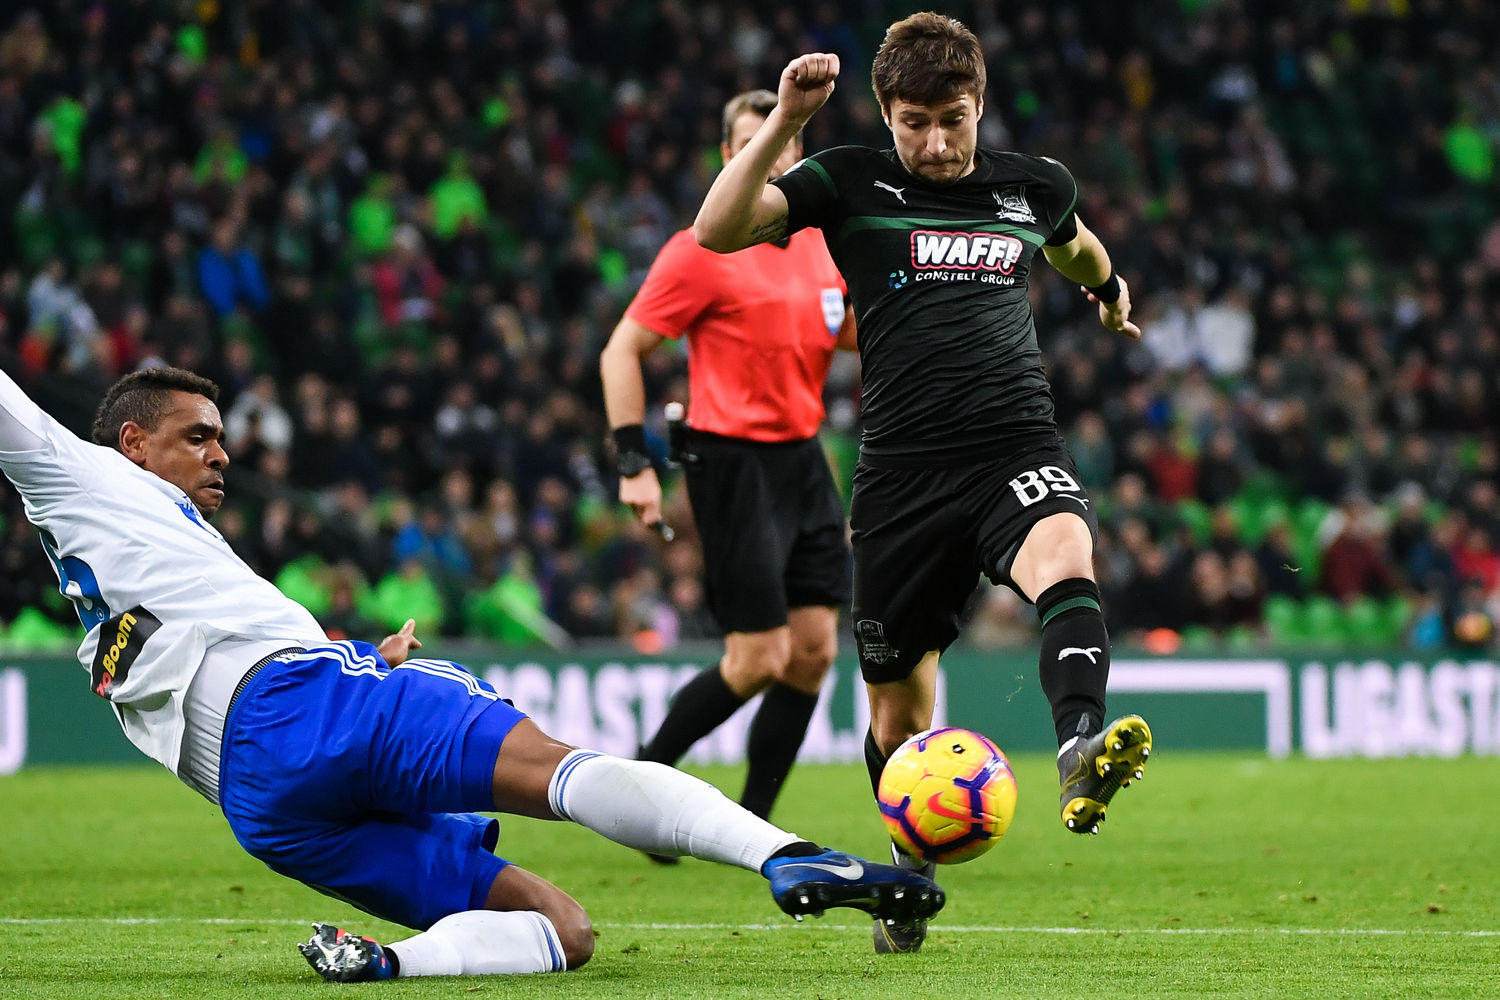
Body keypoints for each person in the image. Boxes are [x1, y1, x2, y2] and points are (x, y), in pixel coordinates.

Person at [0, 364, 942, 981]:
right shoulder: (82, 475)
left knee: (564, 930)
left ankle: (388, 966)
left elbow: (195, 657)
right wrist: (333, 676)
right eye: (198, 436)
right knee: (560, 771)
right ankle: (781, 853)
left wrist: (359, 658)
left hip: (263, 804)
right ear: (133, 445)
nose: (223, 451)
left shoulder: (129, 558)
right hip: (304, 707)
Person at [693, 13, 1153, 953]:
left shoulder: (1032, 187)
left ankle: (1078, 745)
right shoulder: (848, 180)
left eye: (953, 120)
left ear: (980, 104)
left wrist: (1109, 295)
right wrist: (786, 121)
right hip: (902, 480)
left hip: (1012, 446)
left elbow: (1077, 248)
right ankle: (911, 878)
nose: (936, 144)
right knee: (899, 716)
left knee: (1066, 550)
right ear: (885, 114)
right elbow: (718, 229)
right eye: (914, 123)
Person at [600, 89, 855, 833]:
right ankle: (638, 785)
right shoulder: (699, 250)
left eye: (786, 141)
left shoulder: (821, 244)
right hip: (731, 462)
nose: (773, 156)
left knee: (812, 653)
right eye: (755, 143)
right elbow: (622, 350)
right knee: (759, 658)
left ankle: (756, 825)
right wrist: (633, 463)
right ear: (727, 157)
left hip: (803, 458)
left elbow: (847, 332)